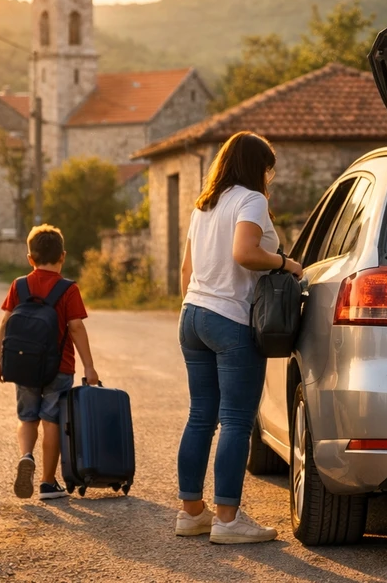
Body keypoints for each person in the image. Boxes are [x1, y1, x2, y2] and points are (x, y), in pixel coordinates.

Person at [174, 131, 303, 545]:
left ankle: (192, 513)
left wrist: (197, 309)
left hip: (192, 315)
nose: (269, 177)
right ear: (256, 167)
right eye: (267, 168)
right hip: (229, 319)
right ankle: (227, 520)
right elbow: (245, 253)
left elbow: (185, 270)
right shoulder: (250, 199)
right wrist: (288, 263)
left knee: (200, 417)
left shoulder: (205, 204)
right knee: (234, 420)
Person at [0, 224, 99, 501]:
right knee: (51, 420)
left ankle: (26, 456)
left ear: (30, 258)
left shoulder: (19, 285)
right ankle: (47, 482)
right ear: (62, 256)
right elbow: (75, 327)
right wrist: (89, 366)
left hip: (22, 365)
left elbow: (6, 322)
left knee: (27, 417)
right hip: (59, 367)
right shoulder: (68, 289)